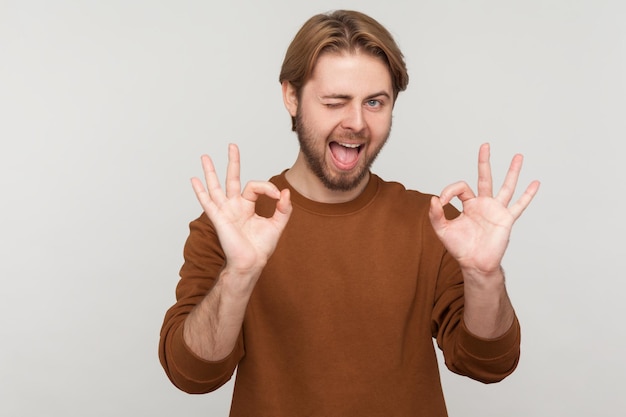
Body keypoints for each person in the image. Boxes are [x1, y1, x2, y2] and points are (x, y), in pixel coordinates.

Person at [158, 9, 540, 416]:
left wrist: (484, 276)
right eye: (335, 101)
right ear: (291, 96)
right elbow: (192, 375)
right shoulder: (232, 225)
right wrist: (239, 275)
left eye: (375, 102)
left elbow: (488, 364)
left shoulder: (435, 223)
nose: (356, 122)